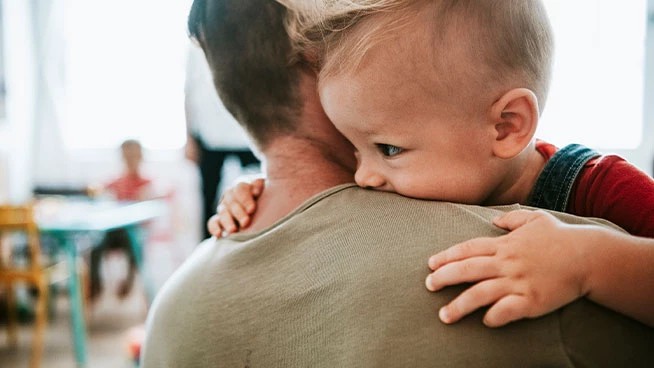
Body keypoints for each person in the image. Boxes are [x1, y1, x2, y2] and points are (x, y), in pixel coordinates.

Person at [139, 0, 653, 366]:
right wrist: (251, 187)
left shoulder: (598, 187)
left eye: (386, 148)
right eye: (355, 146)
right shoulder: (415, 162)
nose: (363, 175)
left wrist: (588, 260)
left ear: (505, 127)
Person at [184, 42, 261, 239]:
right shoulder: (195, 52)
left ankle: (255, 238)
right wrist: (189, 140)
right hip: (209, 137)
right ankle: (206, 246)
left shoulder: (246, 41)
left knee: (258, 193)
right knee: (208, 199)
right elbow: (188, 94)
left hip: (246, 134)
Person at [89, 139, 152, 301]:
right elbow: (98, 186)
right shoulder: (118, 181)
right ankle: (95, 284)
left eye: (134, 156)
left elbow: (161, 194)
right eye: (126, 156)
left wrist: (147, 196)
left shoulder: (147, 183)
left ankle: (128, 283)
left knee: (135, 249)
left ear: (140, 157)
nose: (130, 160)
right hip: (114, 232)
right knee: (94, 248)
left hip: (135, 233)